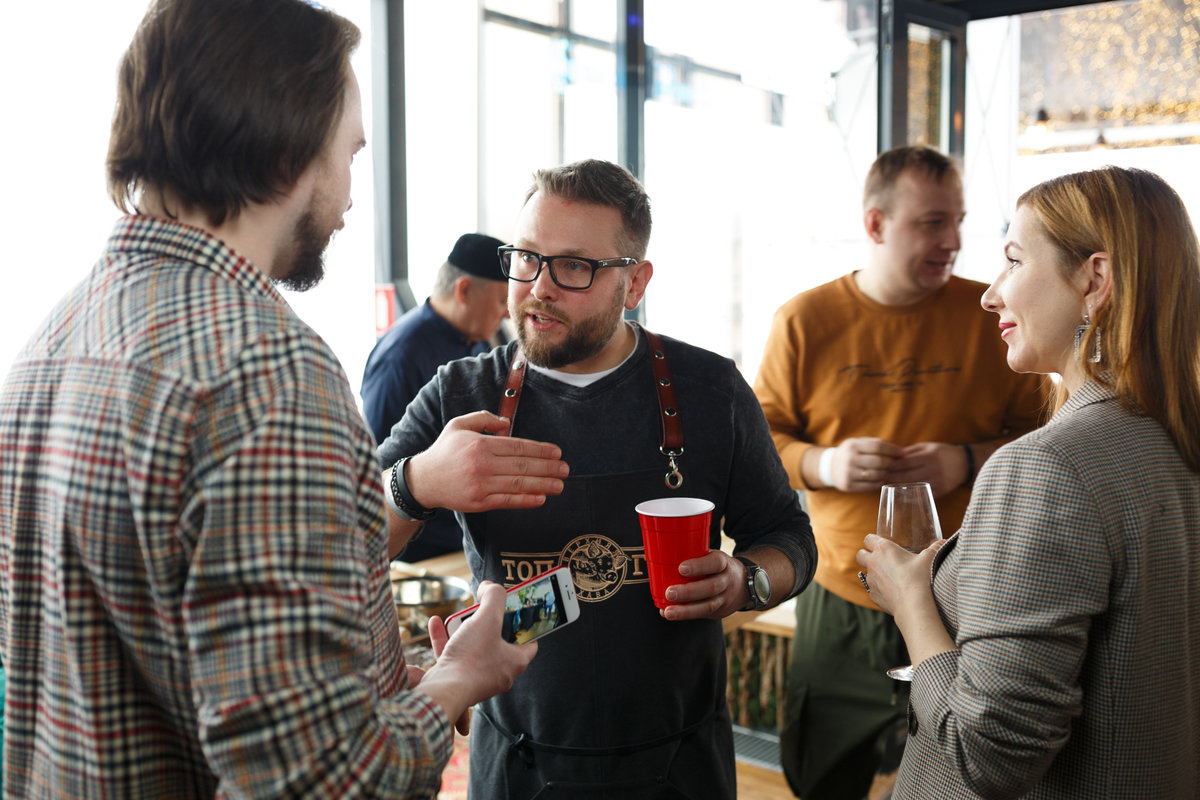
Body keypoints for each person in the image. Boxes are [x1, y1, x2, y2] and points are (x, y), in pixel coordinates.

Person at [0, 1, 535, 796]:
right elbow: (323, 780)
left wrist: (372, 674)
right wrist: (462, 676)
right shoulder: (268, 372)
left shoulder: (52, 340)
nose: (350, 196)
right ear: (288, 152)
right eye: (349, 153)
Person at [376, 158, 817, 798]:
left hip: (680, 763)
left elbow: (792, 539)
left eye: (574, 266)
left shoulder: (710, 390)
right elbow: (341, 546)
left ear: (634, 283)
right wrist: (415, 483)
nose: (539, 287)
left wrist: (746, 580)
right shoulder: (460, 393)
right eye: (526, 258)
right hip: (519, 761)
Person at [857, 166, 1200, 799]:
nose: (990, 295)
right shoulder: (1176, 439)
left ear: (1095, 280)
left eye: (1014, 261)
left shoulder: (1049, 467)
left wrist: (911, 602)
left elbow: (985, 758)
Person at [753, 145, 1047, 799]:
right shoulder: (805, 320)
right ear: (876, 224)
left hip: (969, 593)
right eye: (932, 223)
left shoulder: (995, 314)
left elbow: (1047, 436)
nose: (954, 242)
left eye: (958, 221)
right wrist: (825, 463)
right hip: (844, 593)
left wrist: (963, 459)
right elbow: (759, 443)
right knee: (820, 771)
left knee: (962, 775)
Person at [362, 232, 510, 561]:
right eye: (502, 300)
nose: (507, 314)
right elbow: (375, 467)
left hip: (466, 540)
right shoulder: (401, 356)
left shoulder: (476, 339)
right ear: (464, 290)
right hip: (419, 553)